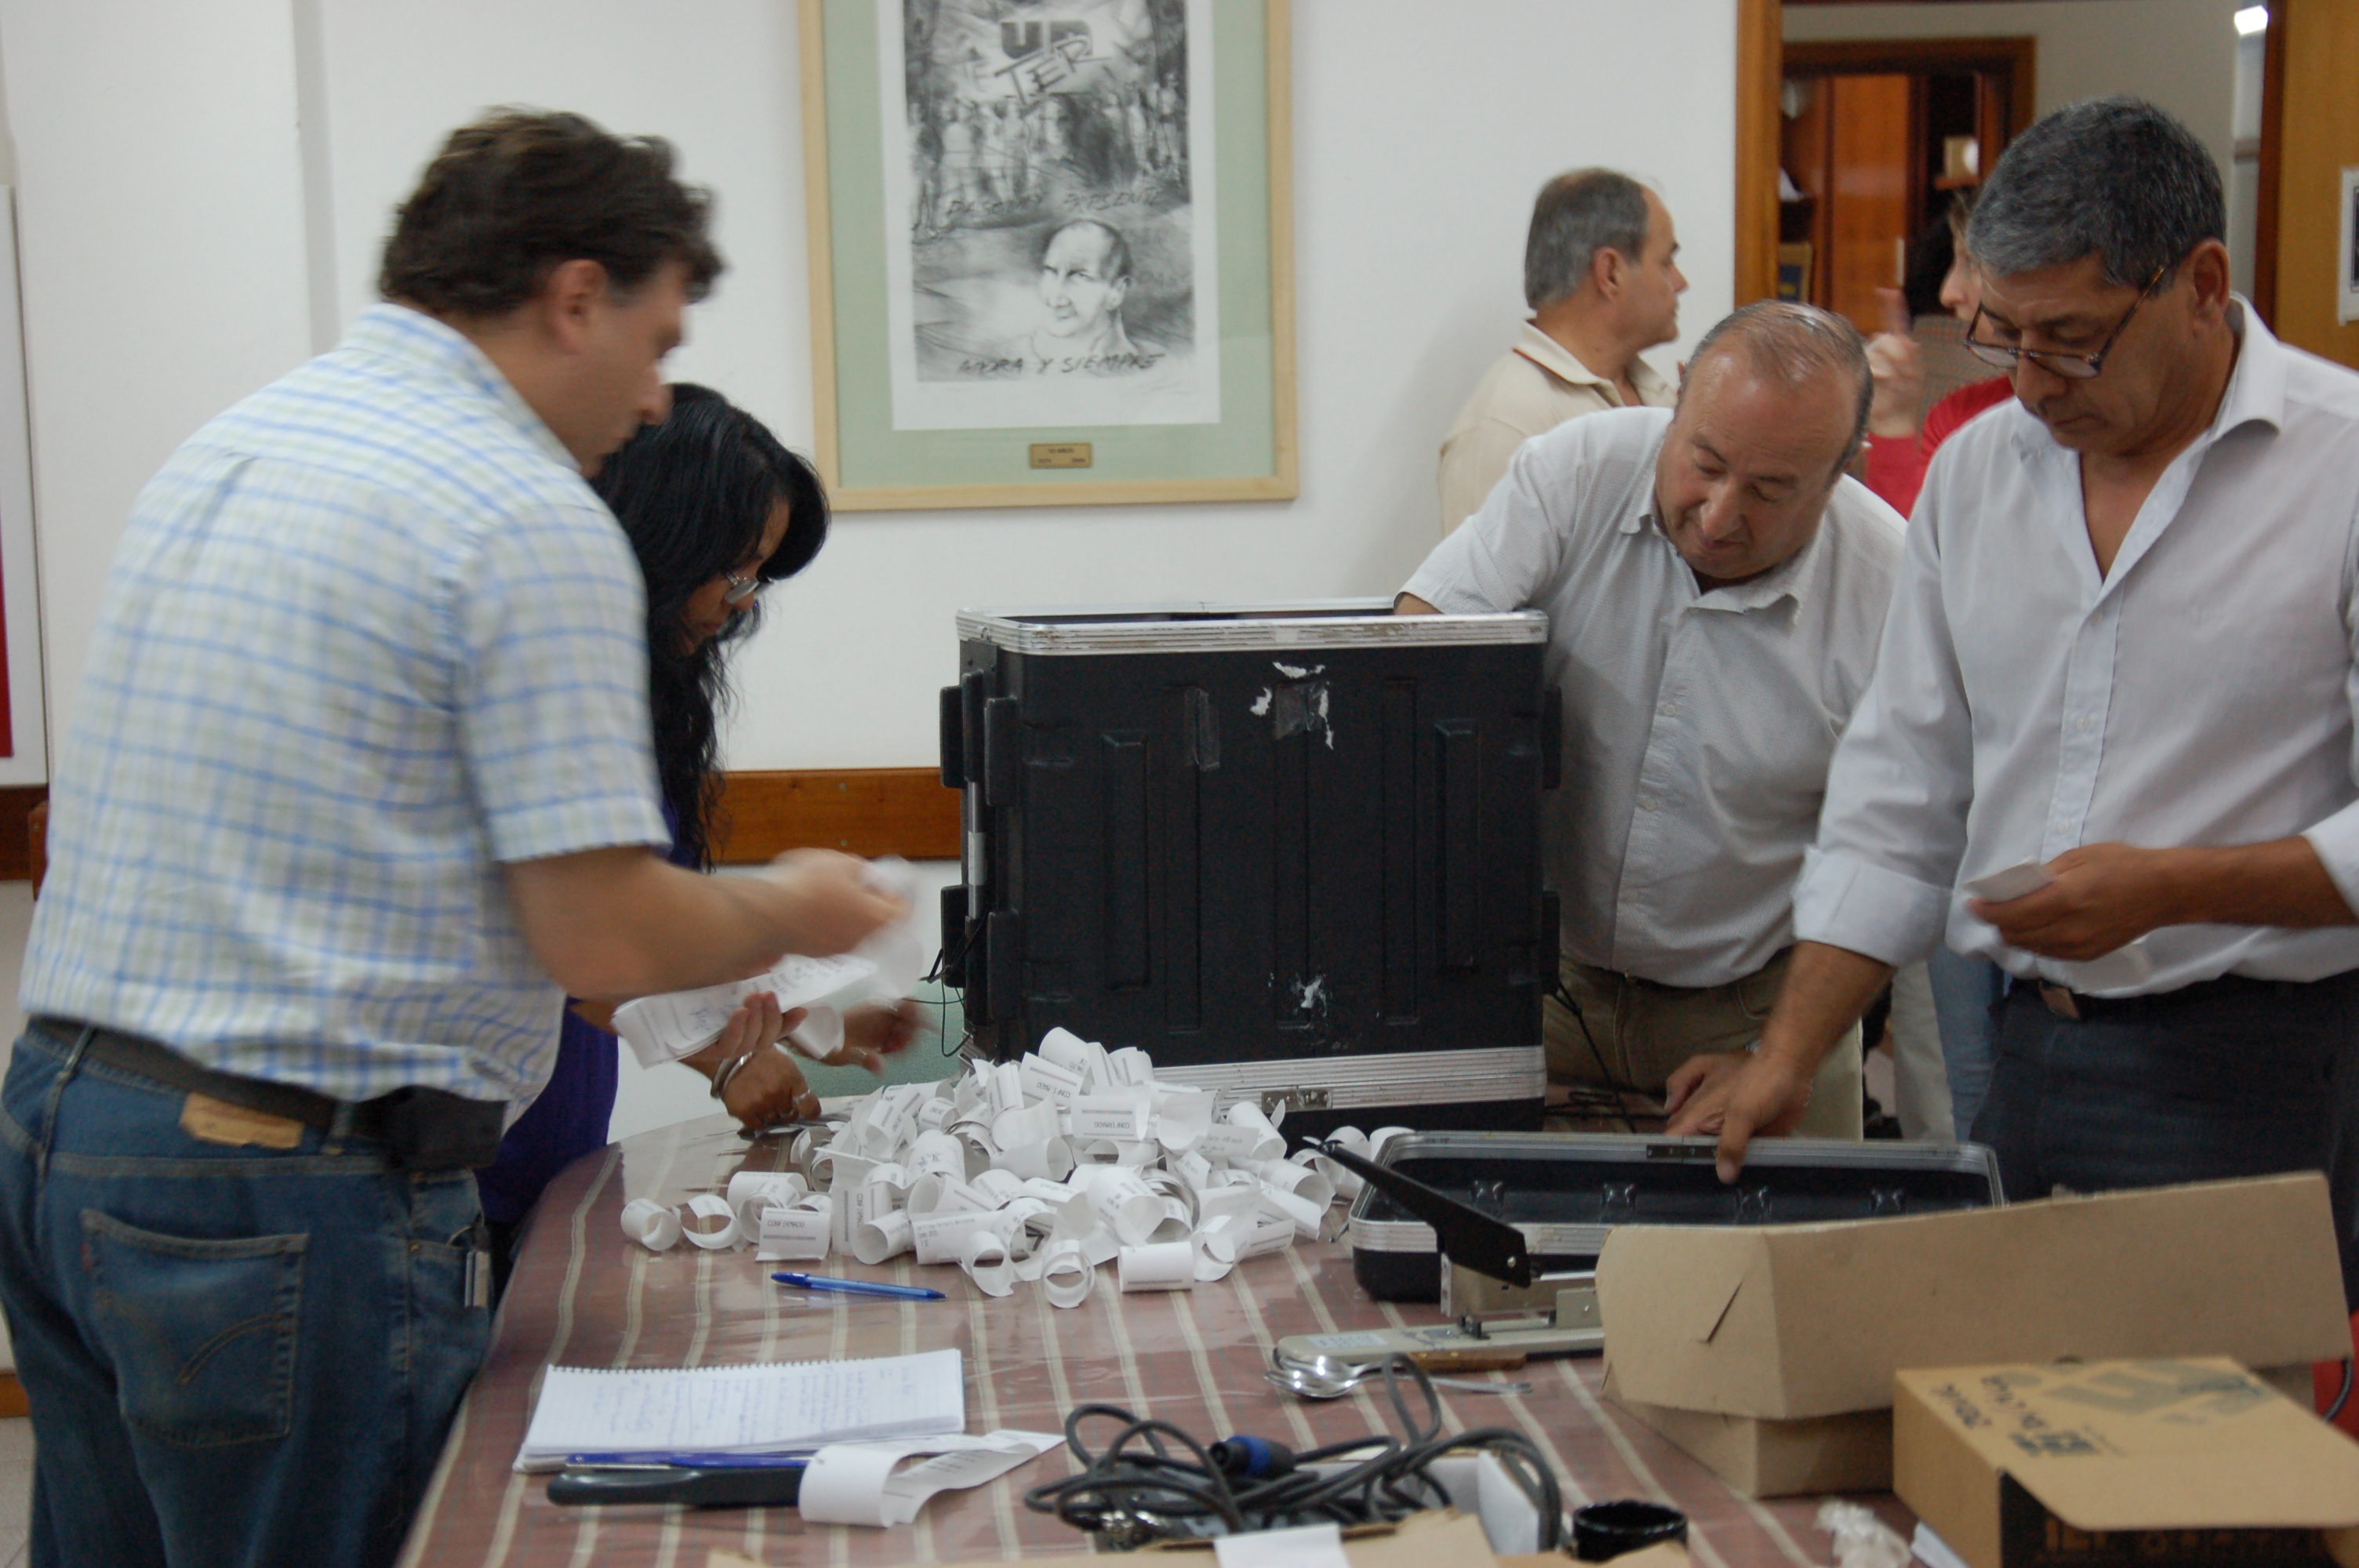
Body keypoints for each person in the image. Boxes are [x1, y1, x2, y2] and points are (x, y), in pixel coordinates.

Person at [0, 110, 906, 1568]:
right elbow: (598, 936)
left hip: (67, 1129)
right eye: (657, 343)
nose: (653, 399)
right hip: (286, 1183)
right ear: (575, 298)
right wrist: (795, 903)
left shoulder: (241, 443)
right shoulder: (519, 511)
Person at [1665, 98, 2359, 1306]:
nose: (2030, 385)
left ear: (2202, 286)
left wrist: (2175, 886)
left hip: (2257, 1066)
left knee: (2200, 1421)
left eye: (2072, 341)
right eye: (2002, 335)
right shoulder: (1980, 475)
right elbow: (1903, 788)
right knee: (1988, 1391)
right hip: (2026, 1050)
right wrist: (1790, 1054)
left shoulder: (2338, 468)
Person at [1398, 301, 1905, 1137]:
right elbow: (1420, 652)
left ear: (1843, 468)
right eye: (1704, 463)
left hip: (1761, 1005)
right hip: (1541, 982)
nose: (1718, 515)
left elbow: (1892, 856)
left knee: (1784, 1225)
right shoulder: (1576, 470)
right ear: (1677, 397)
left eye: (1771, 490)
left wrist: (1781, 1057)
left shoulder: (1891, 587)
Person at [474, 385, 921, 1296]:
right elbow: (581, 944)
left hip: (556, 1129)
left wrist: (813, 1016)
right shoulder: (555, 688)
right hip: (476, 1141)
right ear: (658, 539)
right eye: (731, 569)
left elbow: (659, 942)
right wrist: (729, 1057)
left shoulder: (655, 697)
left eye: (756, 576)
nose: (738, 603)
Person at [1859, 191, 2016, 1140]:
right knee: (1963, 1081)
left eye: (1967, 262)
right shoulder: (1962, 418)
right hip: (1958, 801)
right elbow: (1905, 578)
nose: (1950, 292)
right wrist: (1889, 418)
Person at [1438, 169, 1688, 535]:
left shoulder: (1663, 397)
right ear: (1611, 273)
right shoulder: (1506, 424)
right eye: (1666, 262)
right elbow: (1485, 575)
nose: (1681, 283)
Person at [1027, 218, 1148, 368]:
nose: (1055, 298)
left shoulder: (1156, 365)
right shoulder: (1005, 356)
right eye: (1051, 272)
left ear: (1117, 291)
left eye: (1080, 277)